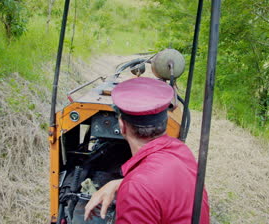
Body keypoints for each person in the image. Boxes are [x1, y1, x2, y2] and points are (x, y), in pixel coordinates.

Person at [84, 77, 210, 223]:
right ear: (165, 122)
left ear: (122, 126)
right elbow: (160, 184)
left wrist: (130, 186)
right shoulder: (182, 151)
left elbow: (145, 187)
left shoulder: (137, 189)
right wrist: (119, 183)